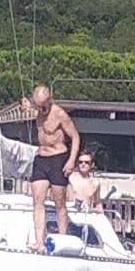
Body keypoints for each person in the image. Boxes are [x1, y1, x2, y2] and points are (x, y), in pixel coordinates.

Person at [26, 84, 80, 250]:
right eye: (38, 106)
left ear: (49, 100)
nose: (41, 109)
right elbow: (25, 106)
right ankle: (39, 241)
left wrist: (71, 161)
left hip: (58, 157)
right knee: (37, 200)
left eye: (43, 106)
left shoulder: (59, 114)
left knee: (59, 201)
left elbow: (75, 137)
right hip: (41, 157)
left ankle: (62, 238)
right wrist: (27, 105)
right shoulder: (36, 108)